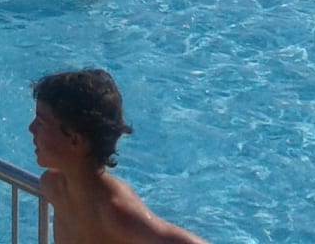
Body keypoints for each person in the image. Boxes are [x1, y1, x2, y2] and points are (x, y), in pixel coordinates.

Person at [29, 70, 206, 244]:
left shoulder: (115, 210)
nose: (31, 128)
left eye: (41, 123)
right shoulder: (54, 186)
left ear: (75, 140)